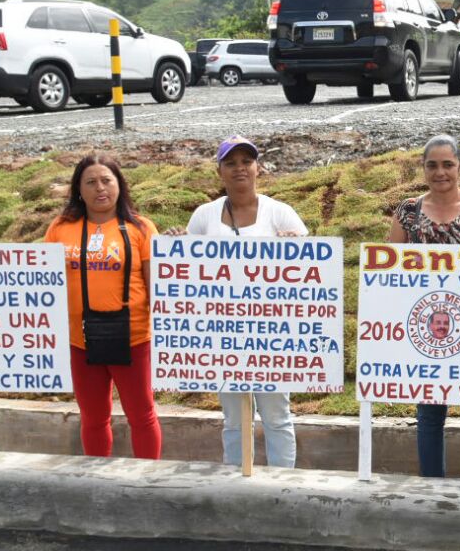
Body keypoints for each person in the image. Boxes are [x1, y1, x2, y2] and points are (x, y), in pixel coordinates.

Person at [387, 134, 460, 478]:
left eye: (448, 165)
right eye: (432, 165)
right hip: (426, 332)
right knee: (429, 413)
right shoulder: (407, 212)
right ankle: (430, 486)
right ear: (423, 168)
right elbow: (388, 274)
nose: (440, 172)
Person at [184, 137, 308, 469]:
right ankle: (235, 481)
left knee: (277, 416)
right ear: (219, 171)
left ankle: (284, 484)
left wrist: (294, 250)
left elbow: (308, 276)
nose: (240, 168)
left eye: (246, 161)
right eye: (231, 163)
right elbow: (185, 277)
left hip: (272, 335)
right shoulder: (203, 217)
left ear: (258, 168)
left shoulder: (281, 214)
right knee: (234, 420)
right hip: (224, 334)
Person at [44, 153, 163, 459]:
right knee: (94, 417)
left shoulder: (141, 227)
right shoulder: (60, 227)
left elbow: (157, 288)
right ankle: (97, 483)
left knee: (142, 414)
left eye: (107, 180)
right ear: (78, 190)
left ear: (119, 185)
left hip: (134, 338)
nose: (100, 188)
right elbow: (45, 281)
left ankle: (148, 481)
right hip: (79, 340)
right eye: (91, 182)